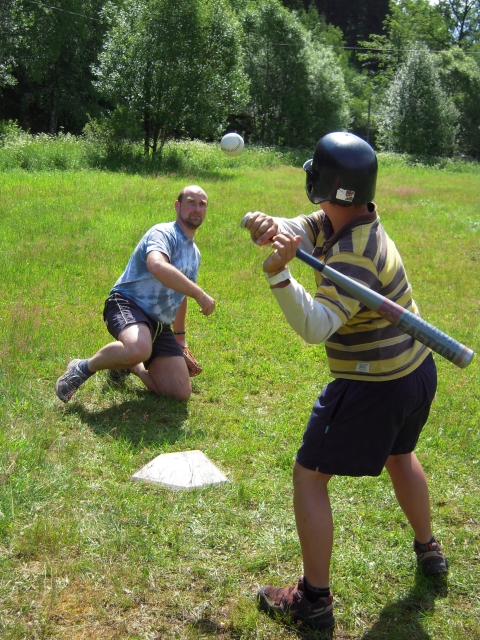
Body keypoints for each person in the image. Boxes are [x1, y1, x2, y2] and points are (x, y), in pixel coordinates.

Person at [243, 132, 447, 631]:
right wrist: (269, 225)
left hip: (374, 384)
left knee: (309, 477)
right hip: (416, 370)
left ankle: (313, 601)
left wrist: (278, 275)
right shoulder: (350, 219)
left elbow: (316, 327)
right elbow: (303, 227)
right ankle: (429, 549)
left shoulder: (355, 253)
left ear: (324, 184)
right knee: (400, 455)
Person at [55, 184, 215, 403]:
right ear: (177, 206)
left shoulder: (195, 254)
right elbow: (156, 265)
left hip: (159, 325)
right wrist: (200, 293)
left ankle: (133, 366)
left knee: (179, 393)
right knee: (138, 347)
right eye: (191, 202)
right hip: (128, 303)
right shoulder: (163, 233)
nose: (197, 208)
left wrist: (180, 339)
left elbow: (181, 294)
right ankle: (82, 367)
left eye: (202, 204)